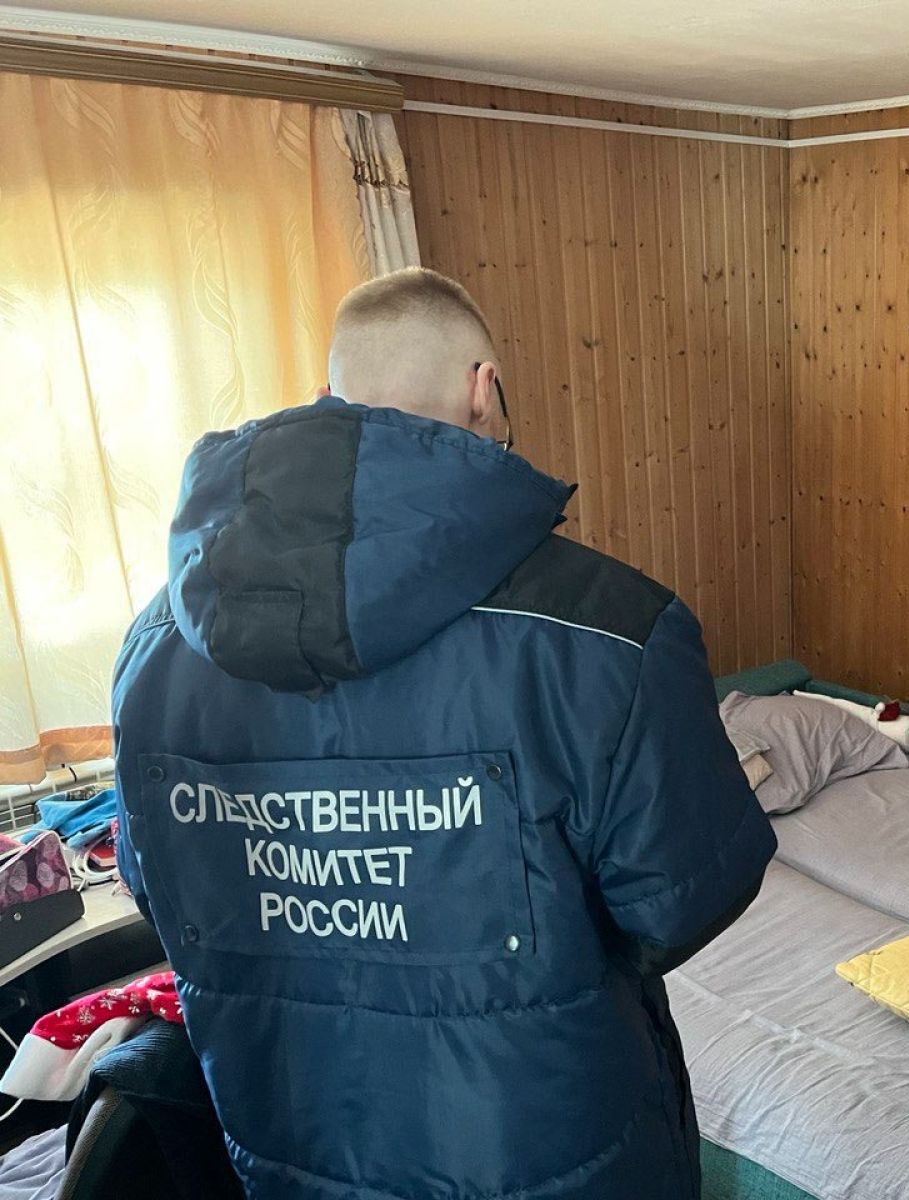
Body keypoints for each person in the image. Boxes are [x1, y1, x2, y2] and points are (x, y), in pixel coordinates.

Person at [111, 267, 776, 1200]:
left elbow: (157, 881)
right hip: (548, 1151)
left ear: (331, 392)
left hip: (292, 1149)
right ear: (483, 388)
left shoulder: (154, 645)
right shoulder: (613, 632)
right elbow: (681, 903)